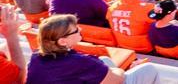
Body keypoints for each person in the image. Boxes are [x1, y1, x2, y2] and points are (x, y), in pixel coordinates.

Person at [28, 13, 161, 84]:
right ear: (62, 41)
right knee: (149, 69)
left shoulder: (35, 57)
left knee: (105, 60)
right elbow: (117, 80)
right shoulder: (81, 62)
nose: (79, 29)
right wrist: (120, 70)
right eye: (75, 30)